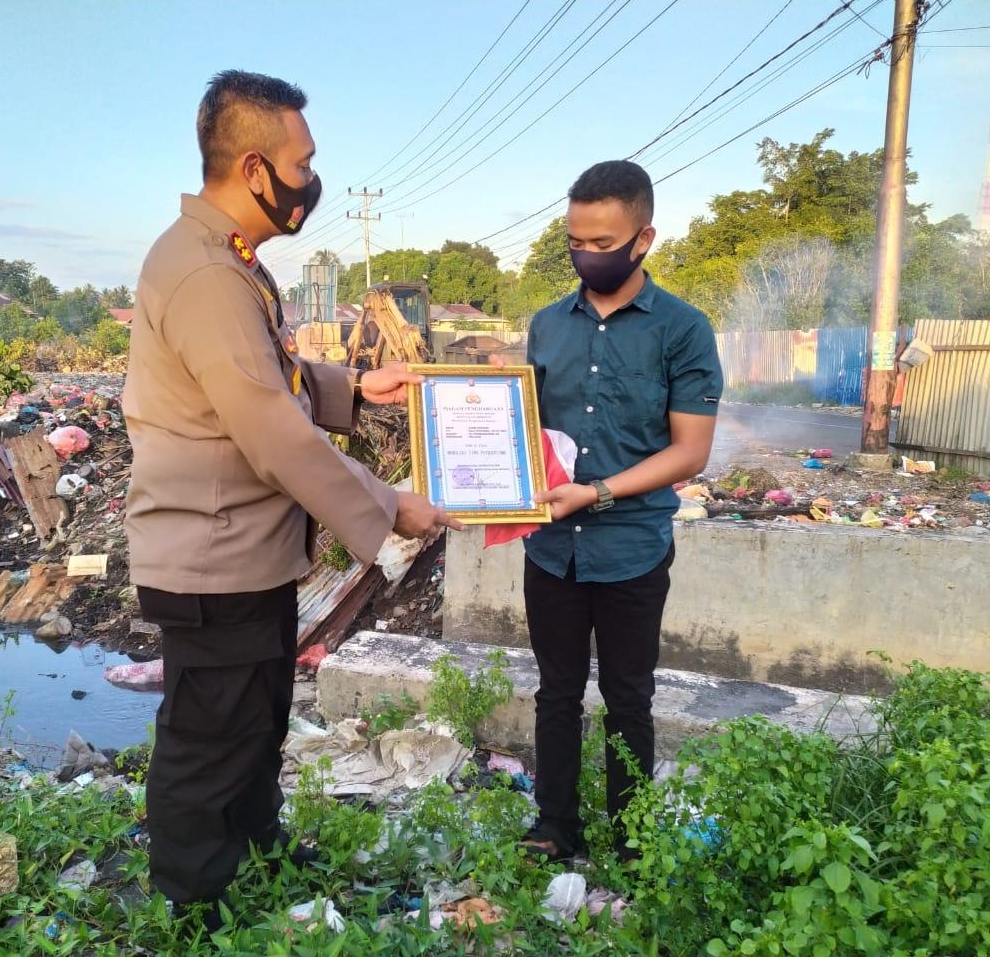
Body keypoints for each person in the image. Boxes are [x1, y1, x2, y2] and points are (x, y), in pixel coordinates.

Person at [121, 69, 457, 927]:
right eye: (304, 161)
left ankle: (254, 849)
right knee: (210, 735)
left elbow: (275, 374)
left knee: (258, 714)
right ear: (255, 168)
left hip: (247, 550)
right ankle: (195, 903)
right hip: (212, 554)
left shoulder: (229, 263)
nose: (314, 178)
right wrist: (389, 507)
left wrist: (353, 387)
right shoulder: (202, 274)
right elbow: (269, 425)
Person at [517, 160, 722, 862]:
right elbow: (521, 431)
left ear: (644, 239)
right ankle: (554, 827)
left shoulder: (683, 330)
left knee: (629, 696)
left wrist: (600, 491)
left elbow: (689, 451)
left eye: (602, 243)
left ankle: (631, 836)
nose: (585, 255)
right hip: (551, 548)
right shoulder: (545, 326)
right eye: (575, 241)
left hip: (632, 545)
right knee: (556, 692)